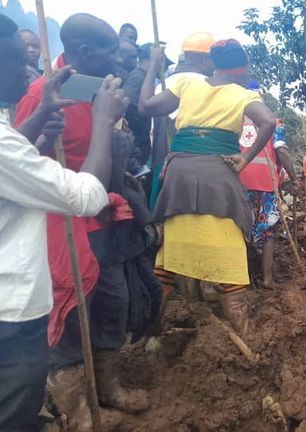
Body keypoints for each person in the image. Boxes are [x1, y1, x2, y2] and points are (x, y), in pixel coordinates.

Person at [13, 13, 152, 427]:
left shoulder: (101, 93)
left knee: (113, 301)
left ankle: (108, 387)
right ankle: (78, 411)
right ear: (85, 52)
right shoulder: (43, 94)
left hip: (103, 215)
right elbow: (22, 162)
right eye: (110, 53)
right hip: (61, 224)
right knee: (73, 313)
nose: (118, 62)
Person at [139, 39, 276, 334]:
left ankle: (148, 337)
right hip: (218, 179)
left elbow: (145, 106)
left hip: (179, 178)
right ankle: (247, 335)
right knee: (230, 259)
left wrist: (152, 64)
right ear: (243, 68)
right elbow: (268, 122)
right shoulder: (242, 95)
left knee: (168, 259)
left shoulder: (187, 82)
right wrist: (244, 158)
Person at [147, 32, 215, 209]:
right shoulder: (203, 83)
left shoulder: (165, 83)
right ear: (204, 59)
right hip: (191, 166)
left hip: (159, 160)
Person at [240, 109, 299, 288]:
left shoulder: (234, 122)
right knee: (267, 233)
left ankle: (238, 281)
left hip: (239, 184)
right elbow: (281, 151)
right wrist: (295, 180)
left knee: (239, 231)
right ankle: (267, 279)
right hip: (266, 185)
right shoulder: (275, 124)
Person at [122, 43, 173, 167]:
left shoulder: (143, 78)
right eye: (164, 64)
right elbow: (128, 110)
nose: (165, 69)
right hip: (135, 147)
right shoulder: (138, 78)